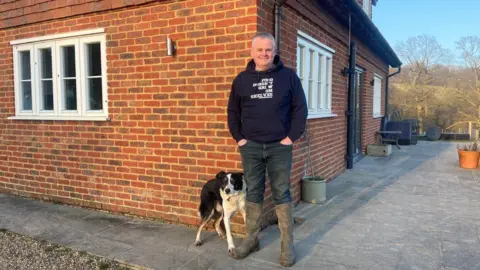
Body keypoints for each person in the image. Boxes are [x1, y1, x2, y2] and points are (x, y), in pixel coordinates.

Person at [227, 32, 308, 267]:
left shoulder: (289, 77)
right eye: (259, 50)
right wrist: (239, 138)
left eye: (268, 49)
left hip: (279, 147)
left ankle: (287, 246)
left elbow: (300, 109)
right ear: (252, 52)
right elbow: (233, 111)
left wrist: (291, 138)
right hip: (250, 146)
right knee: (252, 192)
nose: (264, 54)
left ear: (274, 52)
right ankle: (251, 240)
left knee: (281, 192)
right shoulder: (241, 80)